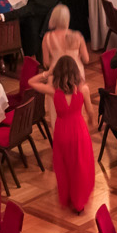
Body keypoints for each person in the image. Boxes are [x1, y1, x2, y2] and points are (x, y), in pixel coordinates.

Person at [24, 55, 94, 215]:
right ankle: (79, 202)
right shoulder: (83, 89)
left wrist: (47, 73)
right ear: (76, 71)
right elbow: (90, 111)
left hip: (62, 132)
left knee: (65, 166)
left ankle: (68, 197)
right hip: (79, 131)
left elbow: (31, 82)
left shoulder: (53, 90)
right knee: (80, 166)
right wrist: (91, 121)